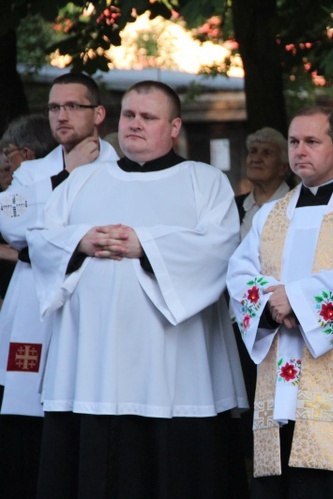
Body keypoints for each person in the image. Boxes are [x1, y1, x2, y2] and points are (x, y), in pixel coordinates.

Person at [27, 80, 249, 497]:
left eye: (148, 117)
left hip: (175, 366)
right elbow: (40, 239)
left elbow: (220, 249)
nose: (135, 124)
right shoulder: (82, 181)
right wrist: (81, 241)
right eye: (129, 115)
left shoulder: (205, 181)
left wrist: (145, 245)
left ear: (174, 126)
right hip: (91, 366)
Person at [226, 106, 333, 498]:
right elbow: (238, 274)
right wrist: (272, 305)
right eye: (294, 142)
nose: (300, 150)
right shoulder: (270, 215)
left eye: (312, 142)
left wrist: (296, 300)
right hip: (280, 384)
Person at [0, 75, 119, 499]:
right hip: (34, 303)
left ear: (98, 114)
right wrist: (66, 175)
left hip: (94, 298)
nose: (61, 115)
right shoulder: (33, 171)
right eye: (54, 108)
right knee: (27, 415)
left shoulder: (121, 170)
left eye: (73, 106)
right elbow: (12, 227)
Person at [236, 126, 291, 240]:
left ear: (283, 168)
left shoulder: (298, 205)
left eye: (266, 153)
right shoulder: (234, 207)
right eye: (253, 151)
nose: (256, 158)